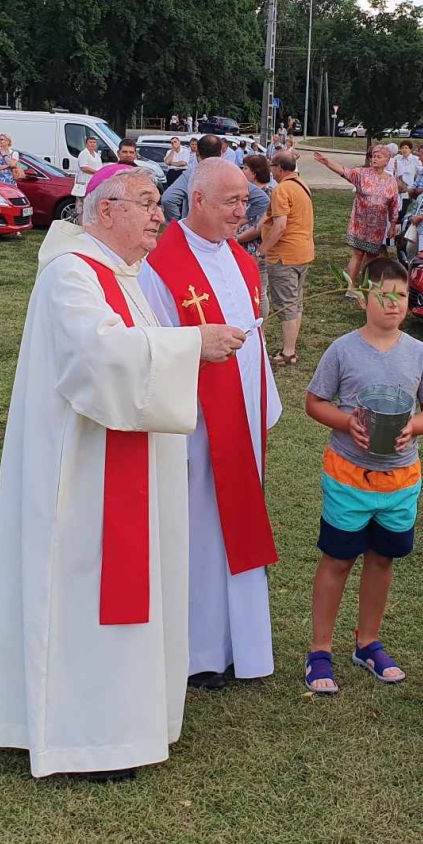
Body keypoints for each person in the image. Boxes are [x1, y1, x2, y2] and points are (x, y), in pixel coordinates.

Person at [0, 164, 247, 781]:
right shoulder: (70, 275)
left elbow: (136, 351)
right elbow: (97, 357)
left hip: (127, 466)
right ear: (105, 208)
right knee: (85, 595)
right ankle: (85, 736)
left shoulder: (124, 275)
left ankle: (125, 726)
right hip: (84, 477)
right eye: (146, 203)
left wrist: (179, 346)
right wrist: (191, 344)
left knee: (128, 595)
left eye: (157, 203)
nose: (158, 215)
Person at [141, 158, 281, 690]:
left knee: (237, 527)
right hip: (192, 425)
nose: (241, 212)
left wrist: (263, 402)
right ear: (196, 200)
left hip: (241, 420)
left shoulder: (243, 263)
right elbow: (151, 343)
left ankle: (240, 643)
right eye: (230, 202)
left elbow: (254, 337)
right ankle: (199, 651)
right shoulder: (161, 263)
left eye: (245, 201)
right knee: (199, 529)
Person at [302, 259, 423, 694]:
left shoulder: (418, 353)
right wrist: (347, 423)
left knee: (382, 559)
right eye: (382, 295)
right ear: (362, 297)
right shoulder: (343, 350)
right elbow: (314, 402)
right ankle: (320, 649)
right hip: (348, 478)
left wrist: (413, 427)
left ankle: (368, 642)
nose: (392, 304)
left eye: (400, 295)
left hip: (400, 482)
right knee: (339, 558)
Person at [312, 145, 399, 293]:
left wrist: (393, 224)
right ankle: (350, 287)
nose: (374, 159)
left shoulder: (391, 181)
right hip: (360, 222)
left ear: (387, 160)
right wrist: (327, 162)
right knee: (358, 254)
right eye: (373, 156)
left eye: (379, 157)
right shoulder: (362, 174)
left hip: (377, 225)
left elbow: (394, 204)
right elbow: (344, 171)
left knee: (372, 255)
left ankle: (365, 285)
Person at [261, 150, 314, 369]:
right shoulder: (302, 184)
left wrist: (263, 248)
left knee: (286, 304)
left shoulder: (282, 189)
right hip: (303, 252)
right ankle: (290, 346)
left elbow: (280, 225)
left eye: (272, 167)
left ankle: (288, 352)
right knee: (295, 302)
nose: (271, 171)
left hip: (285, 256)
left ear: (280, 168)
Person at [161, 134, 224, 222]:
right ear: (221, 153)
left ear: (197, 152)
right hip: (221, 226)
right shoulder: (232, 172)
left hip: (195, 227)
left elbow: (167, 199)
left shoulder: (191, 175)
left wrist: (179, 223)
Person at [238, 154, 271, 259]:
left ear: (255, 172)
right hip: (241, 247)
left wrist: (236, 239)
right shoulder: (246, 191)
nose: (242, 171)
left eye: (245, 168)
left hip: (254, 250)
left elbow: (259, 227)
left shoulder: (267, 194)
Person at [73, 136, 103, 201]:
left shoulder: (96, 155)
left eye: (94, 142)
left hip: (93, 182)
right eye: (90, 142)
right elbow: (84, 168)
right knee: (82, 204)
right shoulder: (83, 153)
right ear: (86, 144)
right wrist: (97, 172)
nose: (92, 144)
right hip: (84, 183)